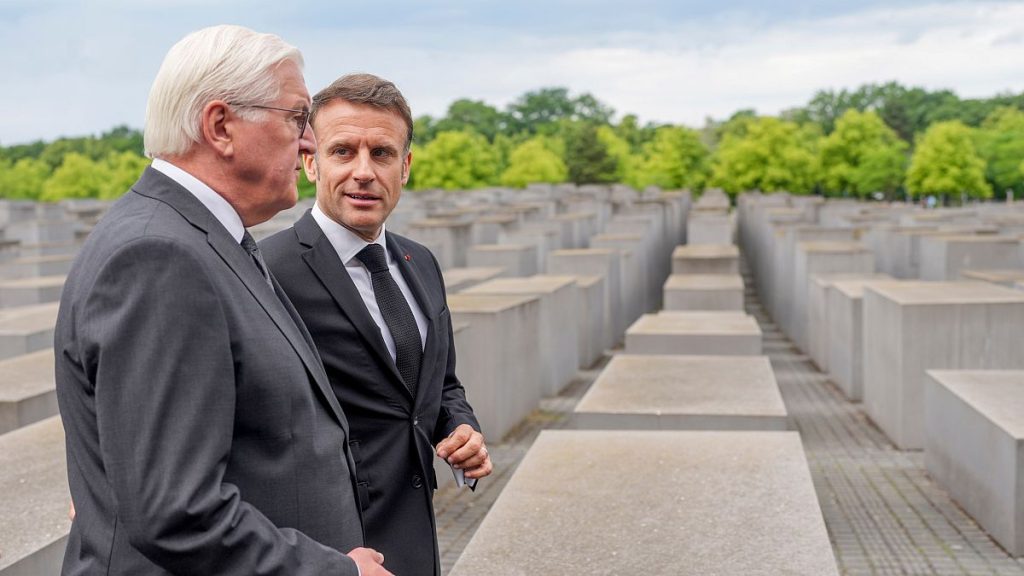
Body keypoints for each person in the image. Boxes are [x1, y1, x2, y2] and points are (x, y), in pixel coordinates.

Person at [54, 26, 390, 576]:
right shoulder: (159, 256)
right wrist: (336, 571)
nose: (309, 143)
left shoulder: (203, 238)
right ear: (220, 127)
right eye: (297, 118)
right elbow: (175, 511)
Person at [261, 73, 493, 576]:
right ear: (311, 161)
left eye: (382, 154)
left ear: (404, 167)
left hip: (417, 536)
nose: (363, 172)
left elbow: (440, 385)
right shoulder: (265, 271)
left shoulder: (421, 262)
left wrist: (461, 428)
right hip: (330, 548)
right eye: (343, 151)